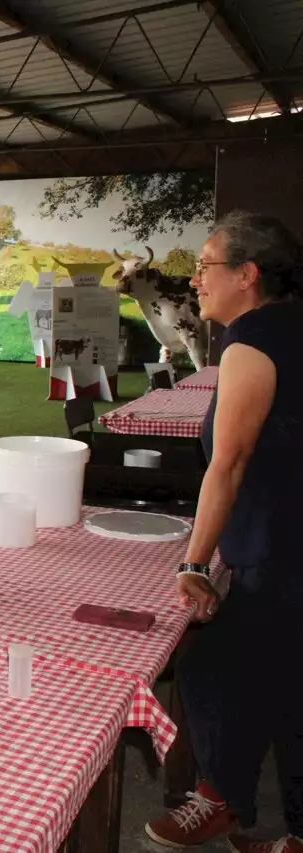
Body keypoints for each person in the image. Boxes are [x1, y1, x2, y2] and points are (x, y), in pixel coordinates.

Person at [142, 212, 302, 853]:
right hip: (284, 540)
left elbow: (228, 463)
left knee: (211, 666)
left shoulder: (252, 340)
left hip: (282, 551)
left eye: (206, 265)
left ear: (248, 274)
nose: (195, 278)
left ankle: (219, 799)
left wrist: (194, 563)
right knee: (288, 690)